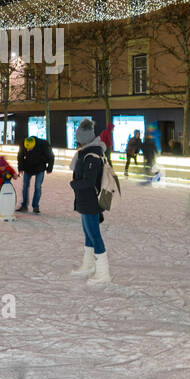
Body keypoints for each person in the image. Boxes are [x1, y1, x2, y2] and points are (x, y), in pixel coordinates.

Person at [69, 119, 110, 284]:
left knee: (94, 235)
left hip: (91, 200)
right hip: (85, 199)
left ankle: (103, 272)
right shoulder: (86, 152)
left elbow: (89, 181)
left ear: (84, 138)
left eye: (79, 138)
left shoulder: (92, 155)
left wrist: (73, 184)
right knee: (88, 234)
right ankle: (89, 265)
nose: (77, 141)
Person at [16, 134, 54, 214]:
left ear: (34, 146)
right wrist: (20, 169)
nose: (28, 150)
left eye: (30, 148)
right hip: (27, 167)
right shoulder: (24, 144)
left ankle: (35, 206)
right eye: (27, 148)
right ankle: (24, 206)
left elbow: (51, 156)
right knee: (25, 186)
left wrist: (49, 168)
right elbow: (20, 156)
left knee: (37, 186)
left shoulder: (44, 145)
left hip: (40, 168)